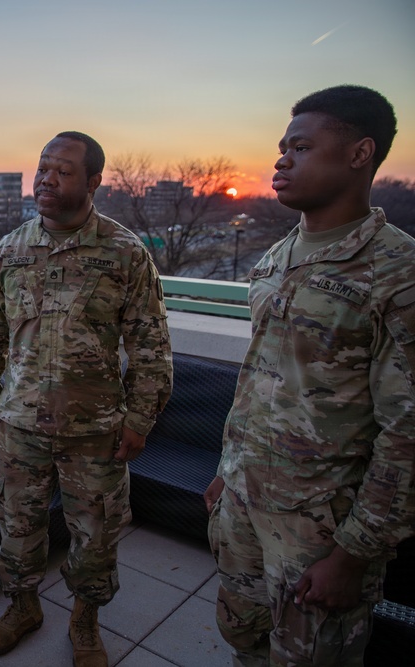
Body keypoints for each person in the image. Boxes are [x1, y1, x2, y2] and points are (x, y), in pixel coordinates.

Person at [204, 85, 415, 666]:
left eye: (300, 147)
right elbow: (258, 380)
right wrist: (228, 470)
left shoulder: (398, 274)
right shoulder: (277, 257)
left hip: (322, 525)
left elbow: (408, 431)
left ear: (359, 153)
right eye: (281, 147)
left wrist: (354, 553)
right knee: (243, 639)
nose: (281, 159)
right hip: (245, 502)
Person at [0, 131, 173, 666]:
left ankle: (85, 621)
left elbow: (150, 347)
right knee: (17, 528)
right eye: (42, 167)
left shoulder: (125, 253)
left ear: (93, 181)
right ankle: (22, 607)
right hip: (19, 426)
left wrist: (139, 420)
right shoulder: (10, 251)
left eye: (62, 170)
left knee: (96, 537)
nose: (46, 178)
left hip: (95, 432)